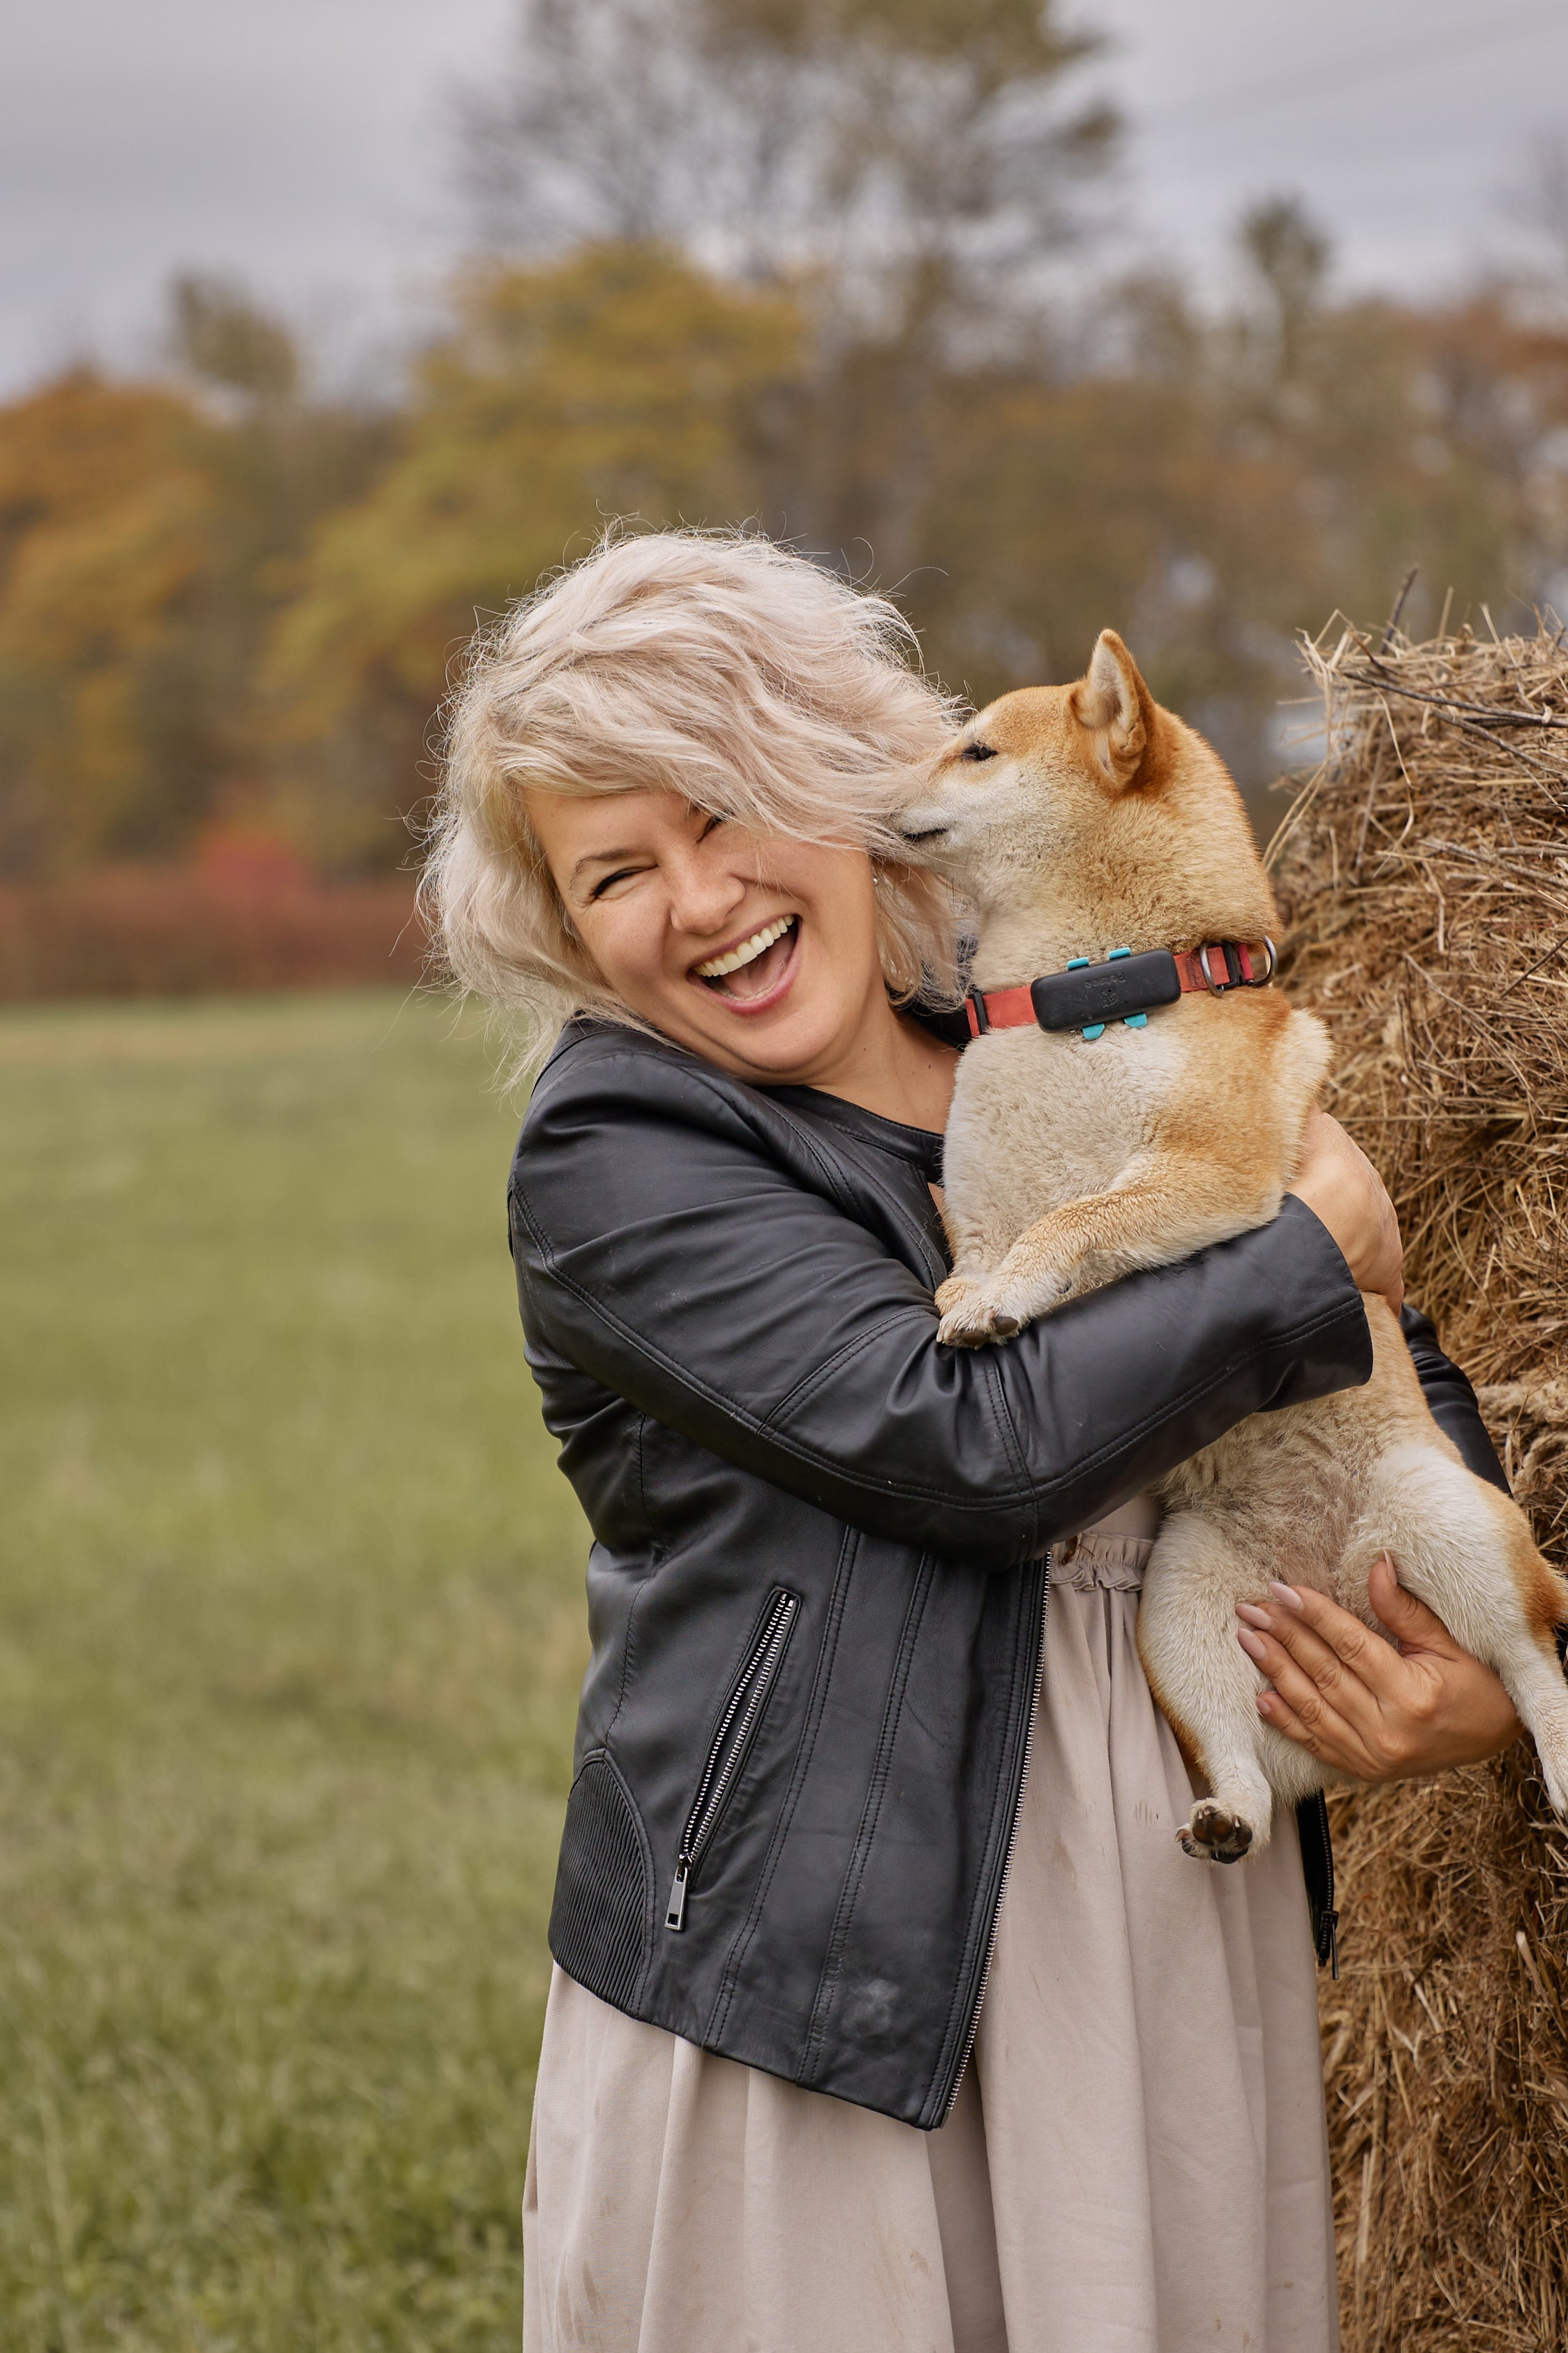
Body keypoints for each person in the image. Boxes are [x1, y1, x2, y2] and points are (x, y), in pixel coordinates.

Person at [424, 530, 1521, 2353]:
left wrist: (1468, 1653)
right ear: (562, 922)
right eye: (617, 869)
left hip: (1160, 1912)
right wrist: (1301, 1234)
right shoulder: (623, 1150)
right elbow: (974, 1448)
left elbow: (1361, 1359)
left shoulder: (1056, 1022)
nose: (696, 901)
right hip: (822, 1989)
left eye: (727, 812)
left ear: (852, 789)